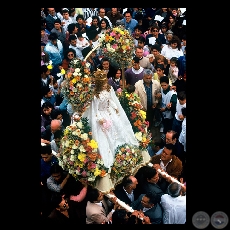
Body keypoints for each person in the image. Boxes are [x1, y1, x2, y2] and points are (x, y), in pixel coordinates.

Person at [82, 69, 139, 169]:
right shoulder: (96, 96)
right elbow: (95, 109)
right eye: (102, 84)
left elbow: (110, 100)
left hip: (110, 112)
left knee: (118, 128)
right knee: (106, 134)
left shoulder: (108, 90)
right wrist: (99, 118)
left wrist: (115, 107)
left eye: (105, 83)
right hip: (102, 115)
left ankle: (122, 148)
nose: (105, 85)